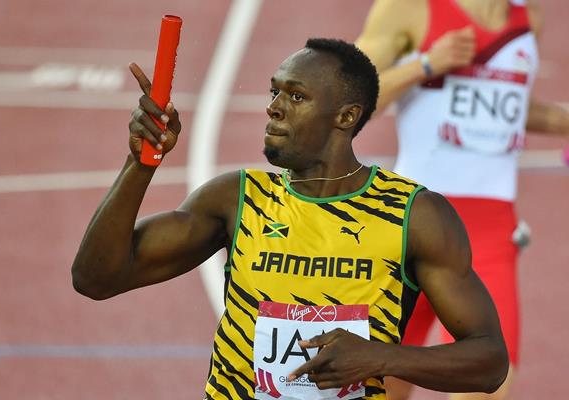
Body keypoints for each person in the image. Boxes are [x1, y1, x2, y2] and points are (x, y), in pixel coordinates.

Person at [71, 38, 509, 400]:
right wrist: (140, 165)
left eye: (296, 96)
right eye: (274, 92)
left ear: (346, 116)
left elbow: (489, 361)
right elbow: (96, 277)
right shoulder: (237, 198)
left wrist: (380, 357)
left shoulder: (413, 215)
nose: (274, 107)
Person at [354, 1, 569, 399]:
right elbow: (346, 94)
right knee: (381, 382)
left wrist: (562, 123)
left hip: (489, 228)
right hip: (412, 225)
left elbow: (510, 105)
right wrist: (426, 65)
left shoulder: (527, 19)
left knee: (491, 377)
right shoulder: (409, 9)